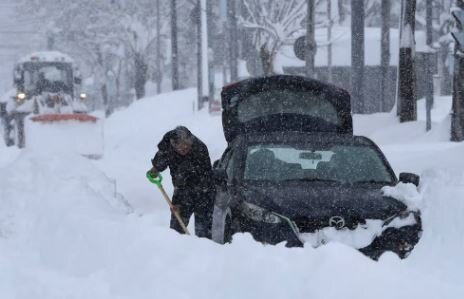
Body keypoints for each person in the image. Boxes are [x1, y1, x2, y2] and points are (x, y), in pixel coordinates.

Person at [148, 126, 215, 238]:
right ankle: (176, 250)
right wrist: (155, 169)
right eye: (182, 146)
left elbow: (206, 177)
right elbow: (160, 161)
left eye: (188, 145)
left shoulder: (200, 148)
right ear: (174, 145)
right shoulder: (167, 147)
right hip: (181, 190)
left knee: (203, 231)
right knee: (176, 229)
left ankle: (203, 250)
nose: (186, 148)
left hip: (203, 191)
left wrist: (191, 195)